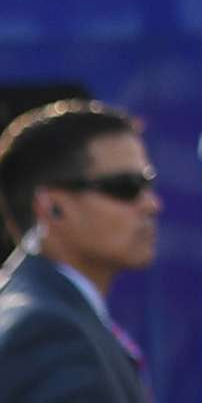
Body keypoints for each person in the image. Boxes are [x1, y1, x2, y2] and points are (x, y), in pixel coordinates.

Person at [0, 101, 160, 403]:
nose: (150, 204)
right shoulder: (47, 332)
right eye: (125, 186)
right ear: (51, 206)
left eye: (148, 184)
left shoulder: (53, 314)